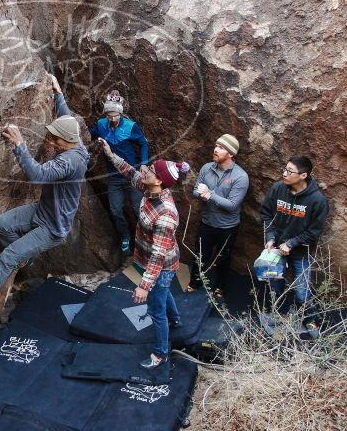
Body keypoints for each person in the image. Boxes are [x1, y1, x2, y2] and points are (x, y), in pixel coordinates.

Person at [0, 74, 88, 317]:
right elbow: (66, 119)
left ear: (66, 142)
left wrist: (19, 145)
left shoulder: (70, 162)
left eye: (55, 138)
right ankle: (26, 256)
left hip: (53, 228)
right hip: (43, 211)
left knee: (8, 257)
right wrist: (58, 94)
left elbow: (38, 175)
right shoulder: (75, 142)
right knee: (1, 224)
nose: (51, 141)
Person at [99, 137, 190, 368]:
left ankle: (160, 354)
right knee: (163, 290)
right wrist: (110, 155)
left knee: (155, 308)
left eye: (149, 170)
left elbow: (159, 256)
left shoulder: (166, 215)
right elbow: (130, 172)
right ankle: (176, 318)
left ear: (159, 180)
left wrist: (143, 286)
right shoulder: (150, 188)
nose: (145, 170)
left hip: (161, 263)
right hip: (151, 258)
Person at [259, 155, 328, 329]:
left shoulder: (317, 200)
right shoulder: (277, 189)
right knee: (275, 285)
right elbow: (266, 214)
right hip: (276, 249)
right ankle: (279, 315)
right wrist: (270, 238)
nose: (284, 173)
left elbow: (314, 232)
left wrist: (291, 243)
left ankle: (310, 322)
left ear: (303, 175)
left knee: (302, 292)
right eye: (285, 169)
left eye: (290, 171)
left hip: (301, 252)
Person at [190, 134, 249, 298]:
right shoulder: (206, 168)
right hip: (206, 222)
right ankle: (194, 283)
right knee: (200, 256)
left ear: (231, 153)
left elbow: (232, 205)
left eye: (221, 147)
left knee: (223, 259)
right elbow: (195, 190)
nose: (216, 149)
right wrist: (201, 195)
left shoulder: (240, 177)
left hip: (227, 227)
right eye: (216, 145)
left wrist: (210, 194)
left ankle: (220, 288)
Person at [89, 90, 149, 253]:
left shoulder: (130, 126)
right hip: (113, 177)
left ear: (121, 113)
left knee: (139, 210)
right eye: (109, 115)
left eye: (115, 115)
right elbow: (89, 135)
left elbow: (143, 143)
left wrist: (144, 163)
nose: (112, 119)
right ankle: (125, 236)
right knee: (115, 210)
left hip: (132, 175)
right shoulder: (101, 124)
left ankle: (144, 239)